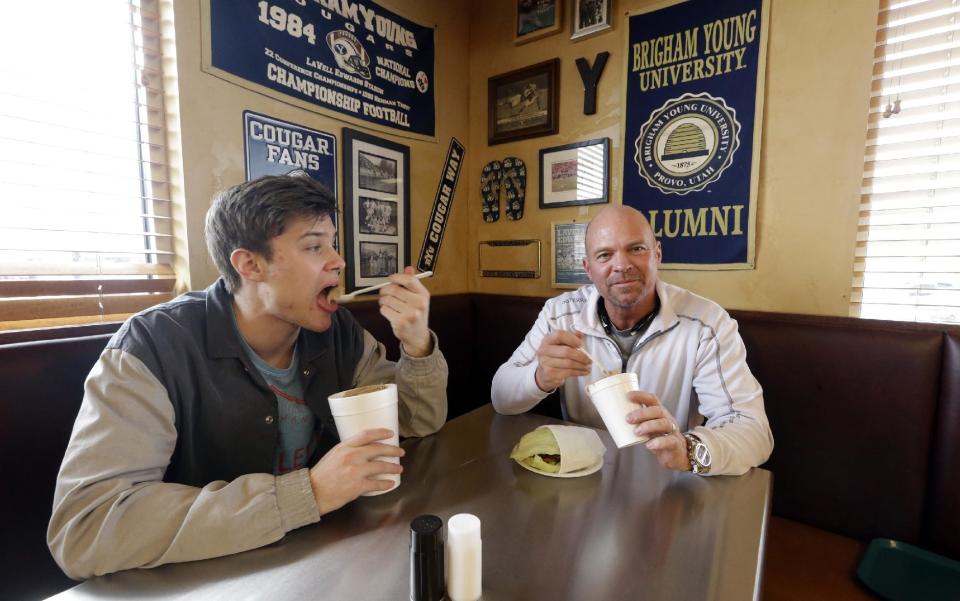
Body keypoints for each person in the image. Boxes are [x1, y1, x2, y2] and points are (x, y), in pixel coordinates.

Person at [48, 175, 448, 579]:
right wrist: (308, 493)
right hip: (206, 580)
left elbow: (418, 421)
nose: (338, 261)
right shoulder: (153, 347)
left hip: (321, 562)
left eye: (333, 243)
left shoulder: (339, 333)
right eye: (314, 246)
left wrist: (416, 346)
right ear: (249, 264)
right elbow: (85, 529)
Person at [491, 205, 772, 476]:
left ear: (657, 254)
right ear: (588, 269)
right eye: (604, 255)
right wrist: (540, 377)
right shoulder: (560, 314)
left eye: (636, 249)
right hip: (581, 475)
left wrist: (688, 450)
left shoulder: (706, 323)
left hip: (667, 485)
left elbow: (754, 431)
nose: (622, 265)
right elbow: (501, 398)